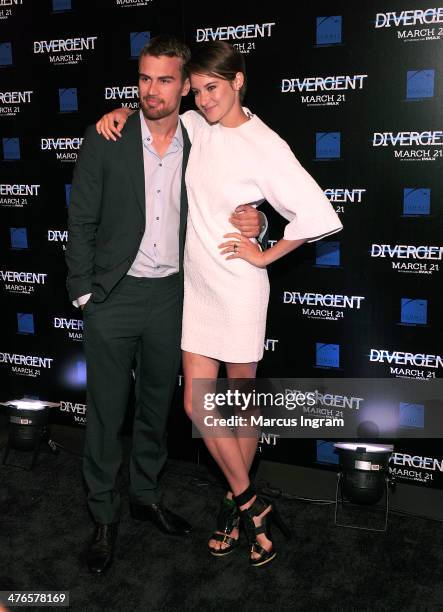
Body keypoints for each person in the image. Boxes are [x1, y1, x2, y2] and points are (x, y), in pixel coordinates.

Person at [97, 42, 342, 567]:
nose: (205, 98)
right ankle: (254, 503)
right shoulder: (194, 124)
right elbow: (152, 116)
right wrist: (120, 111)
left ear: (238, 81)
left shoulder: (265, 144)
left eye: (215, 87)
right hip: (198, 288)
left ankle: (236, 508)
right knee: (198, 406)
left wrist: (266, 251)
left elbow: (318, 212)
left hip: (238, 286)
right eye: (199, 88)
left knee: (241, 404)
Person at [65, 35, 263, 574]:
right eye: (144, 79)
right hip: (115, 296)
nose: (152, 91)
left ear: (186, 86)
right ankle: (104, 516)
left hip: (175, 296)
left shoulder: (202, 139)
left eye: (165, 80)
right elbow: (80, 219)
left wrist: (258, 221)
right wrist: (85, 292)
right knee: (107, 412)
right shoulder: (108, 135)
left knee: (155, 409)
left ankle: (145, 496)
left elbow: (243, 190)